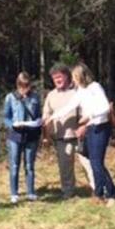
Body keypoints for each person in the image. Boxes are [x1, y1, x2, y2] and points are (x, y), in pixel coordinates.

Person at [49, 63, 115, 206]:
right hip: (91, 129)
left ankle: (106, 194)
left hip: (101, 127)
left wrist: (89, 116)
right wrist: (53, 116)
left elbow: (105, 107)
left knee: (96, 162)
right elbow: (69, 106)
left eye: (74, 77)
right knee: (93, 160)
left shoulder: (94, 87)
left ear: (81, 76)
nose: (73, 80)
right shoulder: (80, 91)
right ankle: (106, 191)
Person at [42, 63, 95, 199]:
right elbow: (46, 117)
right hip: (61, 138)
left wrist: (83, 127)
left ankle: (98, 189)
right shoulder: (51, 96)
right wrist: (46, 136)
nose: (57, 80)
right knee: (65, 168)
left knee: (89, 164)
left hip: (80, 137)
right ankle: (68, 192)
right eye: (54, 78)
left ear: (67, 76)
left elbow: (87, 113)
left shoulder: (77, 92)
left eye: (59, 77)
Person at [3, 72, 42, 204]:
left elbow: (39, 116)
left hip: (31, 134)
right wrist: (11, 124)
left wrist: (38, 123)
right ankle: (14, 193)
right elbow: (6, 117)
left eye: (27, 85)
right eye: (21, 85)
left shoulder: (35, 97)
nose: (24, 88)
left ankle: (31, 192)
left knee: (30, 165)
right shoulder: (10, 97)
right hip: (15, 135)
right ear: (17, 85)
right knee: (14, 165)